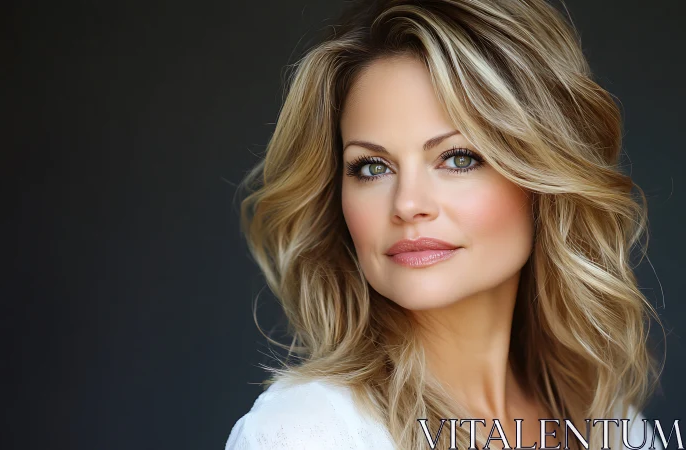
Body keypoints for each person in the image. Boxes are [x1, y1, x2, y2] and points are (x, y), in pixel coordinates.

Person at [226, 0, 663, 449]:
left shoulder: (614, 425)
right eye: (372, 167)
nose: (408, 204)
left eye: (457, 158)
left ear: (542, 181)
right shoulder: (303, 432)